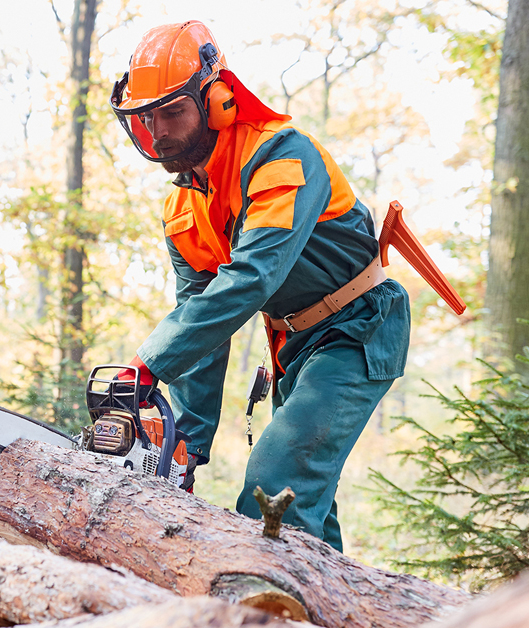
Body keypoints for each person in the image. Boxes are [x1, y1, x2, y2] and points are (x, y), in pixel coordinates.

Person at [108, 20, 410, 552]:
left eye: (173, 112)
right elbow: (201, 316)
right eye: (146, 118)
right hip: (292, 344)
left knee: (276, 481)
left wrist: (150, 363)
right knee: (307, 501)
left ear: (218, 99)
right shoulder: (182, 206)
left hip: (357, 328)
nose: (158, 132)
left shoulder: (282, 156)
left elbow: (253, 276)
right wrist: (186, 445)